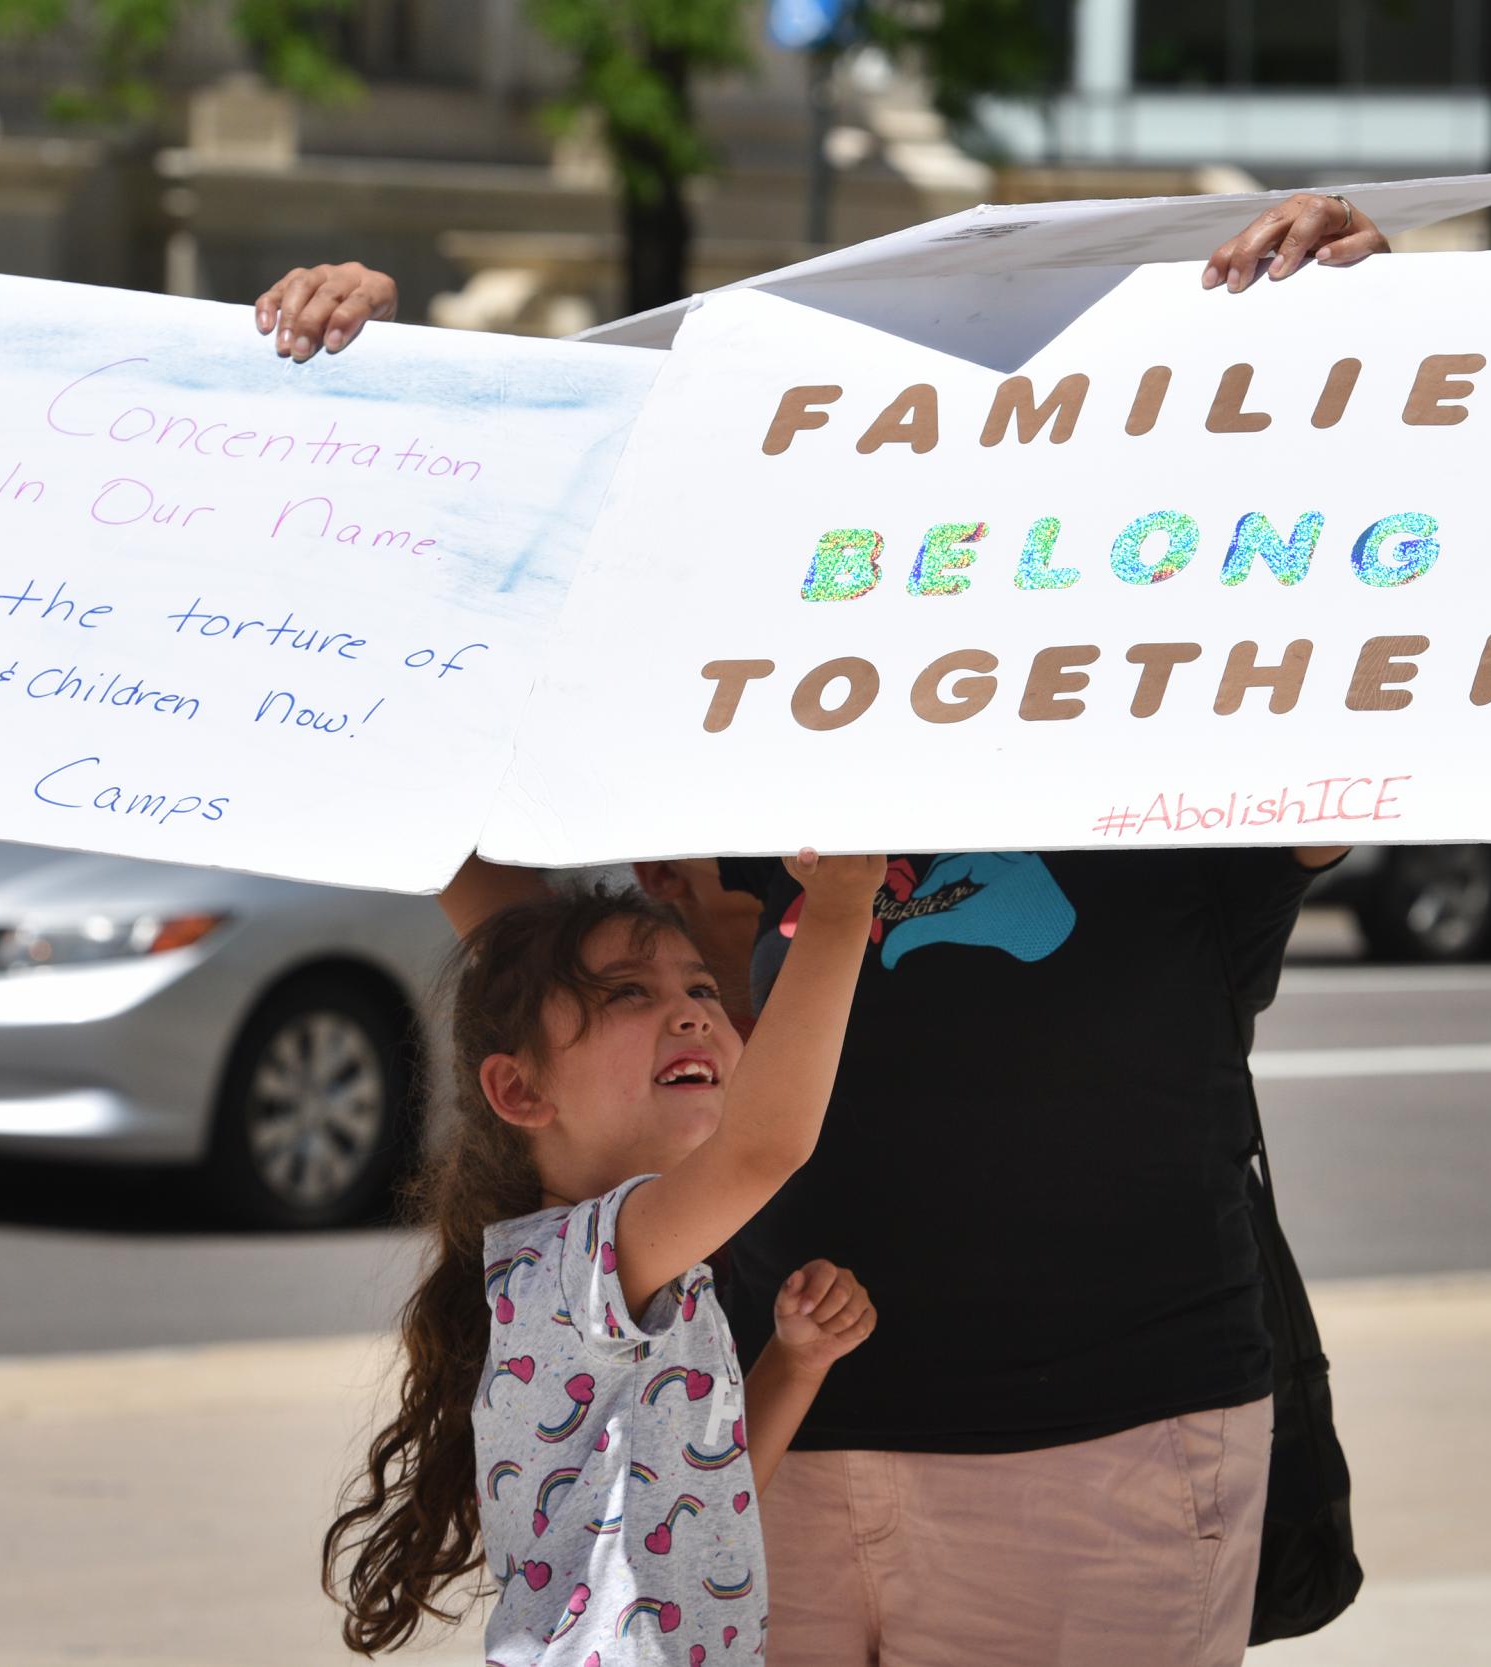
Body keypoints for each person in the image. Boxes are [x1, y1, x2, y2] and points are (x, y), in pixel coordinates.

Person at [278, 190, 1388, 1667]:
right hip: (749, 1471)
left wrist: (1371, 344)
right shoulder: (729, 761)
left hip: (1107, 1456)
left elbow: (1407, 647)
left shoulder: (1166, 749)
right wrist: (376, 412)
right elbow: (431, 789)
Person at [323, 858, 887, 1664]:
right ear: (520, 1091)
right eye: (629, 992)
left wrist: (795, 1365)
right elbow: (762, 1148)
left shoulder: (637, 1274)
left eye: (701, 989)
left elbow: (706, 1491)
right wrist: (837, 905)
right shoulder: (571, 1266)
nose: (692, 1014)